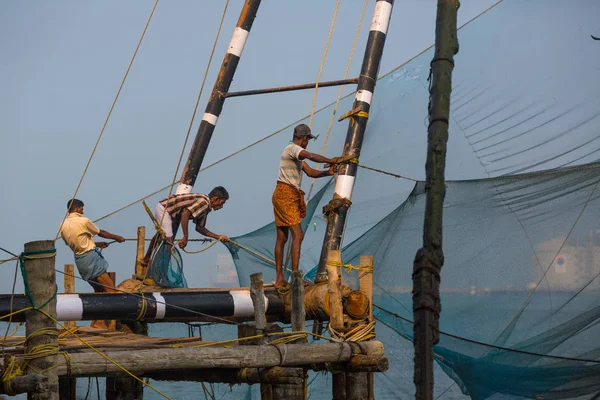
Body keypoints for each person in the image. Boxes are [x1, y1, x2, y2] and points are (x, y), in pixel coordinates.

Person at [272, 123, 341, 289]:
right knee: (298, 235)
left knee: (282, 237)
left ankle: (280, 278)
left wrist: (327, 172)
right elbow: (309, 156)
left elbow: (311, 172)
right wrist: (330, 160)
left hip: (286, 195)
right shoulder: (293, 149)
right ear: (303, 139)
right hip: (285, 194)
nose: (307, 142)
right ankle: (295, 277)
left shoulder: (296, 156)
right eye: (307, 139)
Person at [60, 199, 125, 329]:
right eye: (82, 209)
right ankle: (102, 322)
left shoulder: (63, 225)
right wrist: (117, 237)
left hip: (80, 261)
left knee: (99, 290)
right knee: (111, 291)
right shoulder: (83, 220)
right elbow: (101, 232)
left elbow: (78, 242)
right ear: (78, 209)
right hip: (91, 258)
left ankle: (95, 322)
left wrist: (96, 244)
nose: (83, 211)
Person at [143, 186, 230, 266]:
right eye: (222, 203)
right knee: (169, 241)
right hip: (165, 208)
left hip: (172, 213)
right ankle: (162, 271)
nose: (221, 206)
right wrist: (185, 237)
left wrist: (218, 236)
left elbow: (200, 228)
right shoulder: (204, 203)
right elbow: (185, 214)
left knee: (161, 235)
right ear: (215, 199)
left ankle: (146, 259)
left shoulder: (207, 208)